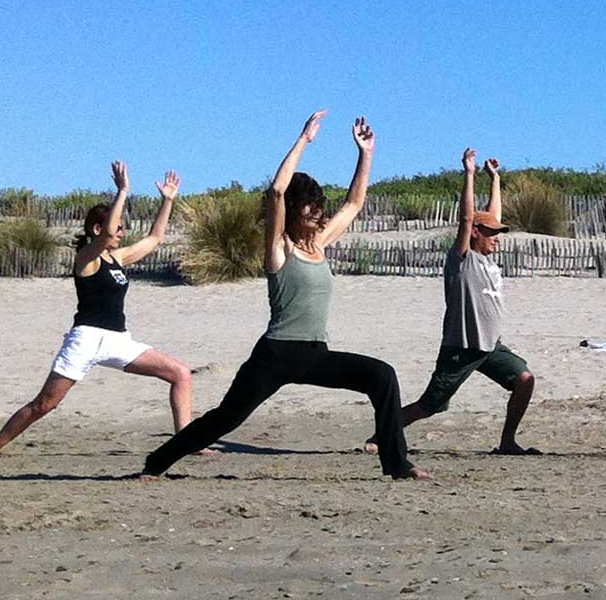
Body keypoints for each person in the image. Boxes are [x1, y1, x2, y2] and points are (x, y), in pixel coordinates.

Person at [140, 111, 424, 479]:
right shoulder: (279, 249)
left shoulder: (319, 244)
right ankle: (156, 463)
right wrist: (304, 140)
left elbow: (353, 204)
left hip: (315, 354)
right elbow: (276, 190)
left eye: (318, 204)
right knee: (226, 418)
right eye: (308, 204)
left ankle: (397, 464)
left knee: (381, 376)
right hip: (275, 355)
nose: (317, 211)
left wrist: (365, 153)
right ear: (292, 209)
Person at [0, 162, 194, 459]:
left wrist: (167, 200)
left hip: (118, 340)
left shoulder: (118, 258)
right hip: (86, 339)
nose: (121, 232)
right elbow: (106, 235)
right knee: (45, 404)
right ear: (97, 229)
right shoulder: (86, 259)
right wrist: (123, 191)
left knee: (180, 373)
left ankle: (185, 442)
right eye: (118, 227)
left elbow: (155, 239)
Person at [395, 149, 540, 454]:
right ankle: (381, 434)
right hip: (461, 347)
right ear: (475, 233)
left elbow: (492, 216)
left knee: (524, 379)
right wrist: (470, 174)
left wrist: (495, 179)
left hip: (491, 347)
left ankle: (507, 442)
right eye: (491, 233)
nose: (497, 237)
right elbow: (466, 218)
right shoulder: (462, 260)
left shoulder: (489, 260)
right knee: (430, 406)